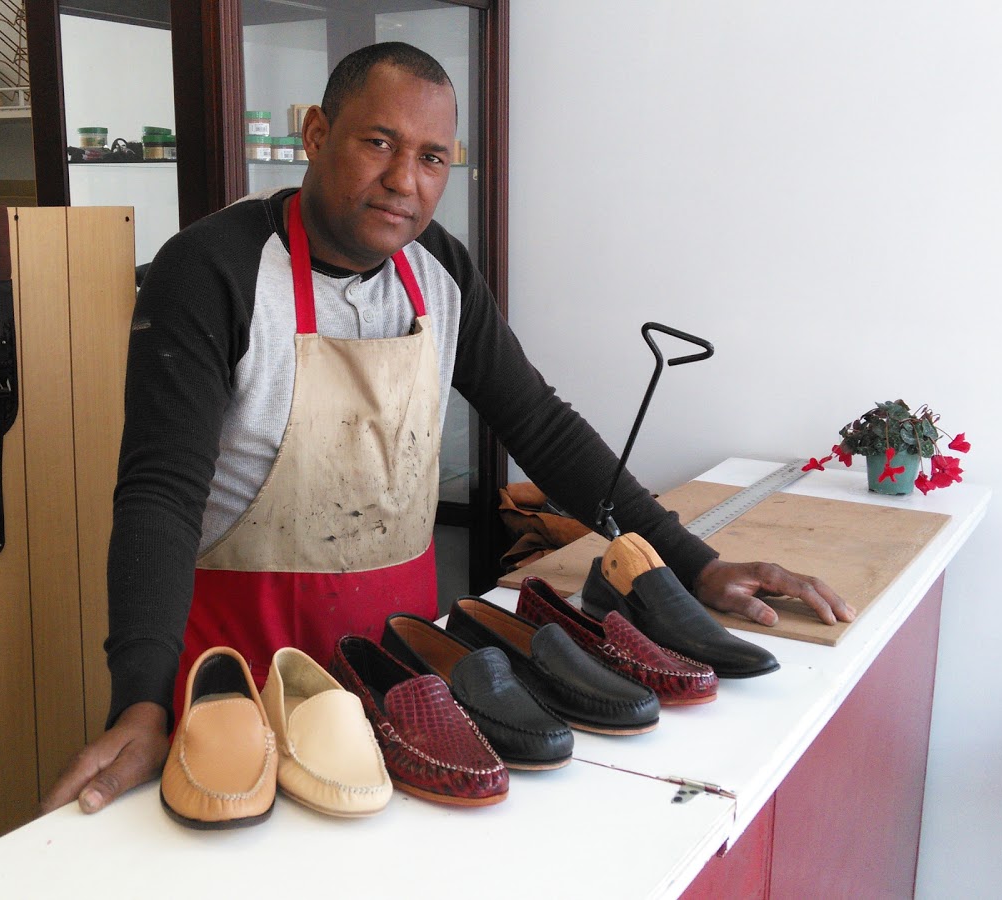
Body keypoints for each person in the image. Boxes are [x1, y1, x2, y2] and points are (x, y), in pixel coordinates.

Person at [42, 42, 852, 816]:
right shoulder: (211, 268)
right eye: (378, 143)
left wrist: (696, 566)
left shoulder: (442, 272)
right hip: (244, 677)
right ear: (316, 135)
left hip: (403, 671)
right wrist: (141, 702)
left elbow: (541, 423)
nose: (405, 181)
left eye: (433, 157)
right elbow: (160, 492)